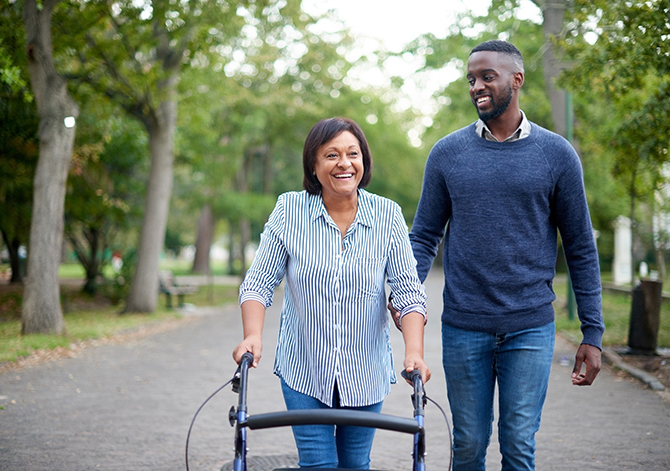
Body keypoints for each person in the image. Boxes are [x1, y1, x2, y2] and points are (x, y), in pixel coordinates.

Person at [407, 40, 605, 470]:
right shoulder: (446, 154)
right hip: (464, 325)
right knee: (468, 445)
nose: (477, 86)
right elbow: (423, 236)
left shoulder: (557, 155)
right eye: (471, 79)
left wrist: (592, 333)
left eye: (487, 77)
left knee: (518, 445)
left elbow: (580, 249)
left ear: (516, 80)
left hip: (530, 327)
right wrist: (405, 296)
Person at [232, 117, 430, 470]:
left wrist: (414, 352)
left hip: (364, 372)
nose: (344, 163)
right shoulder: (289, 210)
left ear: (363, 161)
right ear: (314, 164)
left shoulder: (387, 216)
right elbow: (259, 282)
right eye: (331, 155)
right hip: (304, 367)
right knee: (318, 464)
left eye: (352, 154)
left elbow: (408, 292)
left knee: (355, 464)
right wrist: (252, 335)